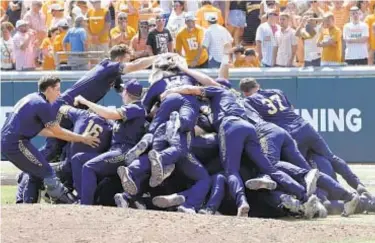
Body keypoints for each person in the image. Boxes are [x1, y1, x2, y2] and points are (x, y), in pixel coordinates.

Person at [238, 77, 371, 198]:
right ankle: (358, 185)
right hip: (305, 126)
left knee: (304, 170)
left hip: (290, 134)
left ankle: (321, 196)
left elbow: (258, 122)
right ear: (258, 85)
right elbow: (291, 108)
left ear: (245, 92)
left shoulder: (248, 100)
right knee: (331, 157)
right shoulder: (277, 91)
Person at [1, 75, 99, 204]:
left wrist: (72, 137)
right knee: (48, 172)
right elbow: (57, 131)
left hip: (9, 142)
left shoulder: (32, 98)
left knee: (35, 172)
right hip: (16, 143)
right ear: (48, 89)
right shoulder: (42, 105)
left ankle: (26, 204)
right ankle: (67, 202)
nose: (60, 93)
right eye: (57, 89)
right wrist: (82, 138)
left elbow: (44, 131)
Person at [73, 79, 147, 205]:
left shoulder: (136, 107)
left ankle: (86, 206)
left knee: (89, 167)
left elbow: (109, 114)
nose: (122, 93)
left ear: (126, 93)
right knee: (78, 159)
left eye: (123, 90)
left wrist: (85, 102)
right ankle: (82, 198)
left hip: (124, 153)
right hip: (114, 151)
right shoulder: (131, 108)